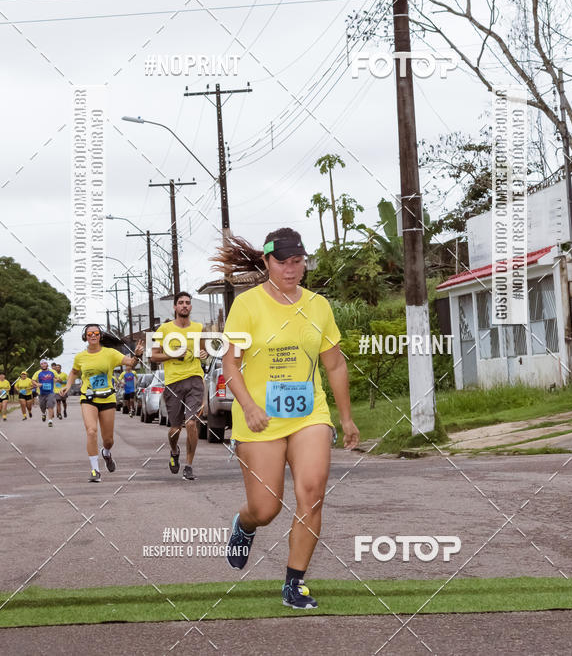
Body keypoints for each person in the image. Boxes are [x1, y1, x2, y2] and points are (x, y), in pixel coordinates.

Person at [217, 228, 359, 610]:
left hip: (309, 414)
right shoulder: (247, 305)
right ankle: (245, 524)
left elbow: (335, 364)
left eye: (297, 262)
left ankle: (294, 583)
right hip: (259, 418)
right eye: (282, 262)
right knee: (266, 508)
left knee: (312, 493)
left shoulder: (318, 306)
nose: (291, 269)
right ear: (267, 262)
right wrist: (248, 406)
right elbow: (230, 364)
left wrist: (346, 418)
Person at [60, 325, 142, 482]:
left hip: (107, 398)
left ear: (100, 336)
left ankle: (106, 452)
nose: (93, 335)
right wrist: (68, 386)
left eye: (96, 333)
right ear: (85, 337)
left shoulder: (110, 353)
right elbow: (74, 372)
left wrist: (137, 355)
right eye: (89, 333)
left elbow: (130, 363)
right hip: (88, 398)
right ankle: (95, 470)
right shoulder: (80, 357)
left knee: (108, 440)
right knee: (91, 431)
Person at [152, 292, 206, 481]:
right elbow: (153, 356)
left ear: (190, 307)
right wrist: (173, 355)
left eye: (187, 303)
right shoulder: (164, 329)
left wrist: (204, 354)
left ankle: (189, 465)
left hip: (195, 379)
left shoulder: (199, 328)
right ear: (175, 307)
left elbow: (203, 351)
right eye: (181, 303)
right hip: (173, 382)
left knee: (191, 423)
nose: (184, 305)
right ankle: (174, 450)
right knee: (175, 428)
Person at [32, 359, 57, 427]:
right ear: (40, 365)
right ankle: (43, 413)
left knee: (50, 405)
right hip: (41, 393)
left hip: (51, 392)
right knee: (42, 406)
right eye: (42, 364)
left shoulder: (52, 371)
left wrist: (57, 379)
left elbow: (58, 378)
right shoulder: (37, 373)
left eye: (45, 363)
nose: (43, 365)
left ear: (47, 364)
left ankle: (50, 421)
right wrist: (37, 384)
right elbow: (33, 380)